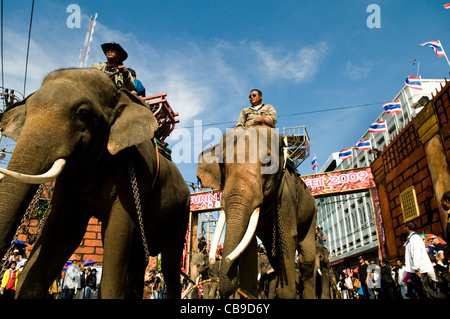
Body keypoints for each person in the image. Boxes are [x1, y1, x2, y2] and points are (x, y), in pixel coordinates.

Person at [404, 222, 437, 299]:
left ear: (407, 228)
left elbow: (416, 253)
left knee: (425, 291)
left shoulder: (414, 238)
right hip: (417, 269)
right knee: (422, 291)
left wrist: (417, 268)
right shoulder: (412, 238)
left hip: (420, 270)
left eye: (405, 227)